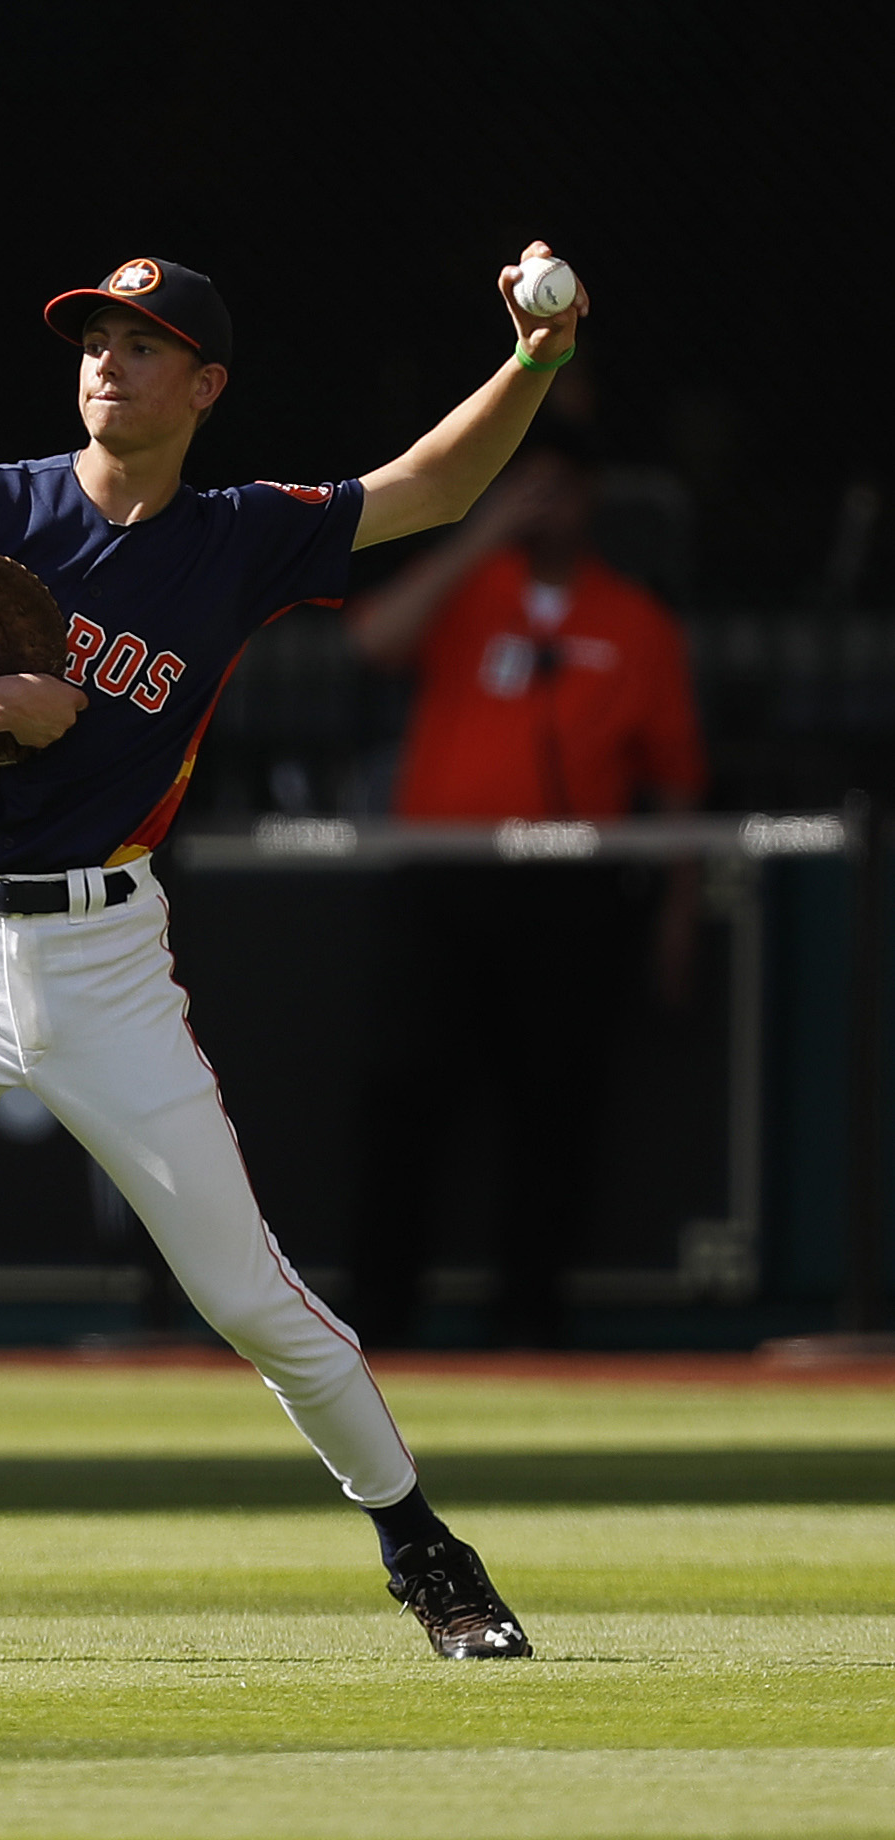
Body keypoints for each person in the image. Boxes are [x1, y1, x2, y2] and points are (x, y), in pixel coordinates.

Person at [0, 244, 587, 1669]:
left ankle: (429, 1556)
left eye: (144, 343)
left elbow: (430, 489)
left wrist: (534, 362)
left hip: (103, 954)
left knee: (247, 1292)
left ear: (203, 385)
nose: (108, 360)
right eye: (95, 337)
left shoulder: (235, 535)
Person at [346, 424, 706, 1347]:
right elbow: (375, 641)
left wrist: (676, 911)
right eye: (526, 486)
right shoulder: (468, 589)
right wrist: (480, 532)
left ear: (591, 501)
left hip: (570, 890)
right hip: (445, 879)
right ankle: (379, 1321)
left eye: (560, 488)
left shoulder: (634, 621)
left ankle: (530, 1324)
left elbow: (674, 782)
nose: (543, 504)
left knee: (556, 1104)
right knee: (405, 1095)